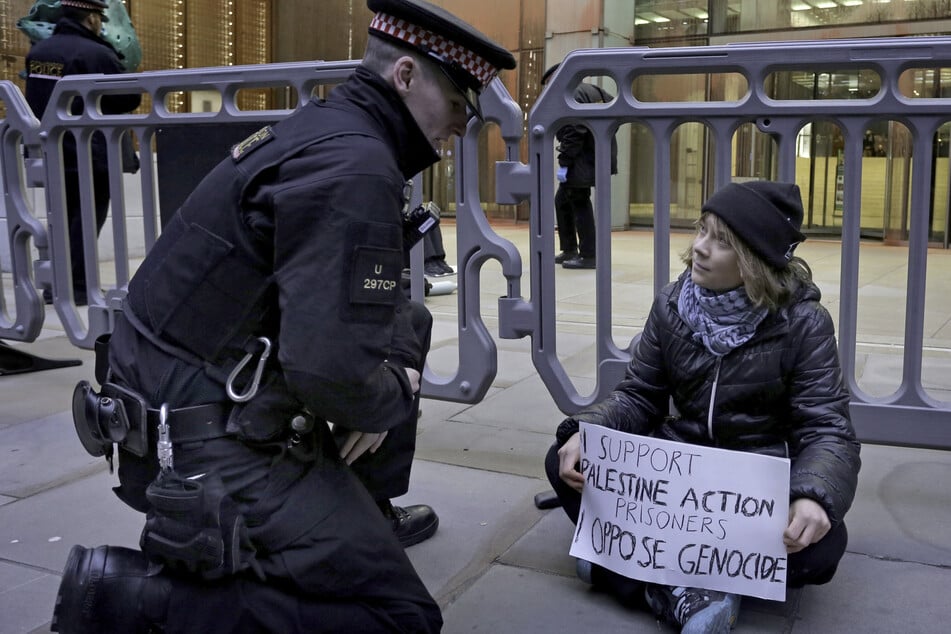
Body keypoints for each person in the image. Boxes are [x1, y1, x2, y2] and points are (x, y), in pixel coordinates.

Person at [52, 1, 515, 632]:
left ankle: (352, 514)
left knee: (408, 327)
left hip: (170, 399)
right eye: (457, 103)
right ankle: (132, 598)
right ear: (405, 75)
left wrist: (388, 375)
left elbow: (372, 309)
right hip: (204, 438)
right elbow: (329, 374)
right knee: (398, 617)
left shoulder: (329, 131)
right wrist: (392, 393)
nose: (462, 125)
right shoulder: (356, 166)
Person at [545, 181, 861, 633]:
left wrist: (812, 496)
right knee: (565, 459)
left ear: (755, 260)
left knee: (823, 547)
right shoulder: (672, 304)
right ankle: (696, 586)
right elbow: (639, 394)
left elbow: (827, 428)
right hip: (677, 478)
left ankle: (631, 571)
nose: (699, 247)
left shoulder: (803, 323)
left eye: (721, 241)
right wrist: (588, 430)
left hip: (751, 488)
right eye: (701, 230)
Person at [24, 0, 141, 305]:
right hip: (90, 151)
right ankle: (76, 287)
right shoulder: (96, 53)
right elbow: (128, 98)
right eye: (100, 18)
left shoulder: (39, 52)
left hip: (51, 149)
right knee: (86, 220)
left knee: (60, 219)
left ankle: (55, 285)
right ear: (91, 18)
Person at [541, 63, 617, 270]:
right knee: (563, 200)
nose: (548, 89)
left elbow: (575, 130)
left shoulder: (571, 94)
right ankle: (570, 249)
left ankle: (589, 255)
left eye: (548, 84)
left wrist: (564, 162)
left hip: (581, 159)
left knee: (579, 201)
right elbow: (615, 113)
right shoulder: (594, 90)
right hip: (597, 155)